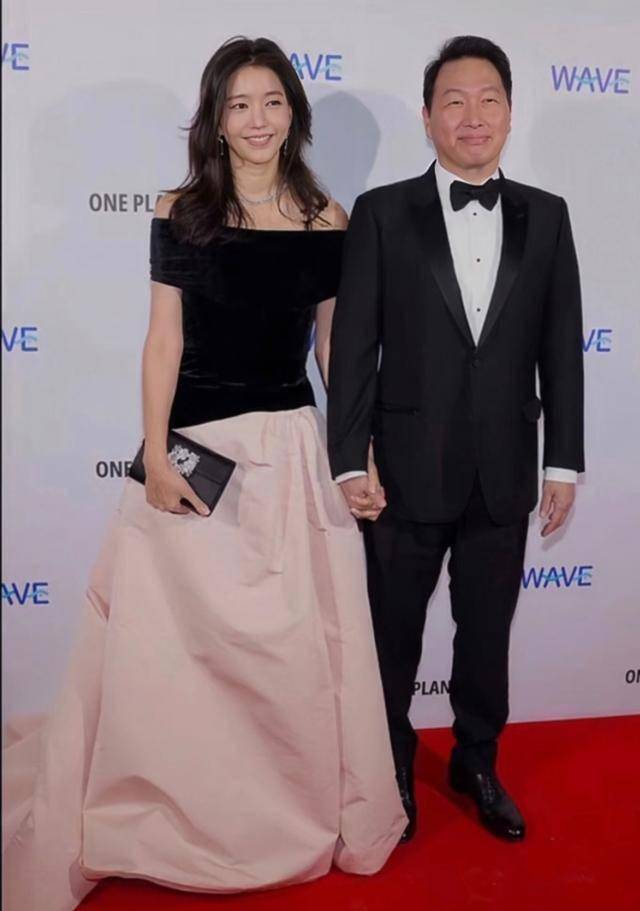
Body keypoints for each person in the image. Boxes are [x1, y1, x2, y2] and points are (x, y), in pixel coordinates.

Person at [3, 36, 406, 911]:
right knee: (177, 648)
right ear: (216, 120)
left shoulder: (328, 219)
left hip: (290, 450)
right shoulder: (180, 211)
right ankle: (178, 807)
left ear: (294, 111)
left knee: (290, 650)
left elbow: (334, 351)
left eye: (272, 102)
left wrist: (356, 452)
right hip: (195, 450)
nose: (257, 120)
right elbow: (164, 341)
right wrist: (154, 453)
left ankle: (282, 808)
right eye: (239, 104)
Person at [328, 35, 584, 843]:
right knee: (392, 636)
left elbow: (561, 347)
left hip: (505, 468)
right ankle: (390, 764)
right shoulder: (381, 212)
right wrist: (348, 458)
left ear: (509, 112)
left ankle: (477, 760)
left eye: (489, 99)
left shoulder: (548, 215)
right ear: (429, 116)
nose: (473, 116)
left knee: (487, 633)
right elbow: (353, 347)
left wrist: (563, 461)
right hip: (402, 471)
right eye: (455, 101)